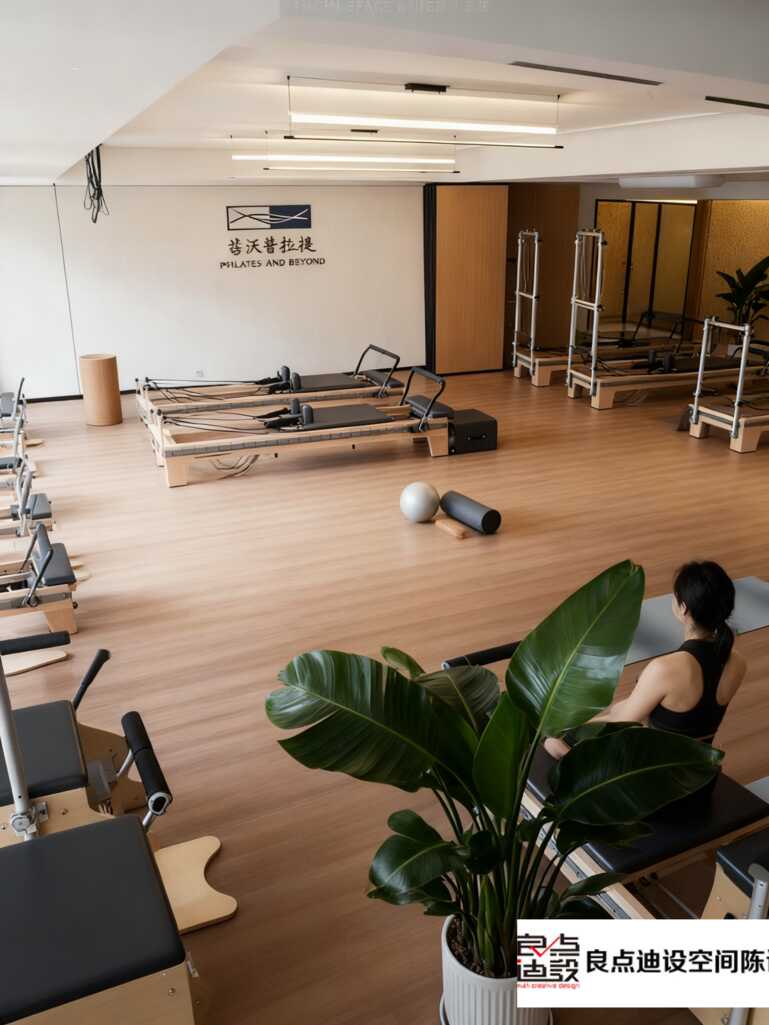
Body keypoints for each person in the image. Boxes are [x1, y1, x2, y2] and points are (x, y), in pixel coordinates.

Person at [544, 560, 746, 761]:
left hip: (654, 772)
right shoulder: (737, 662)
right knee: (621, 708)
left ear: (683, 608)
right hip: (698, 767)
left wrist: (568, 730)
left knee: (551, 742)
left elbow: (619, 723)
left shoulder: (666, 669)